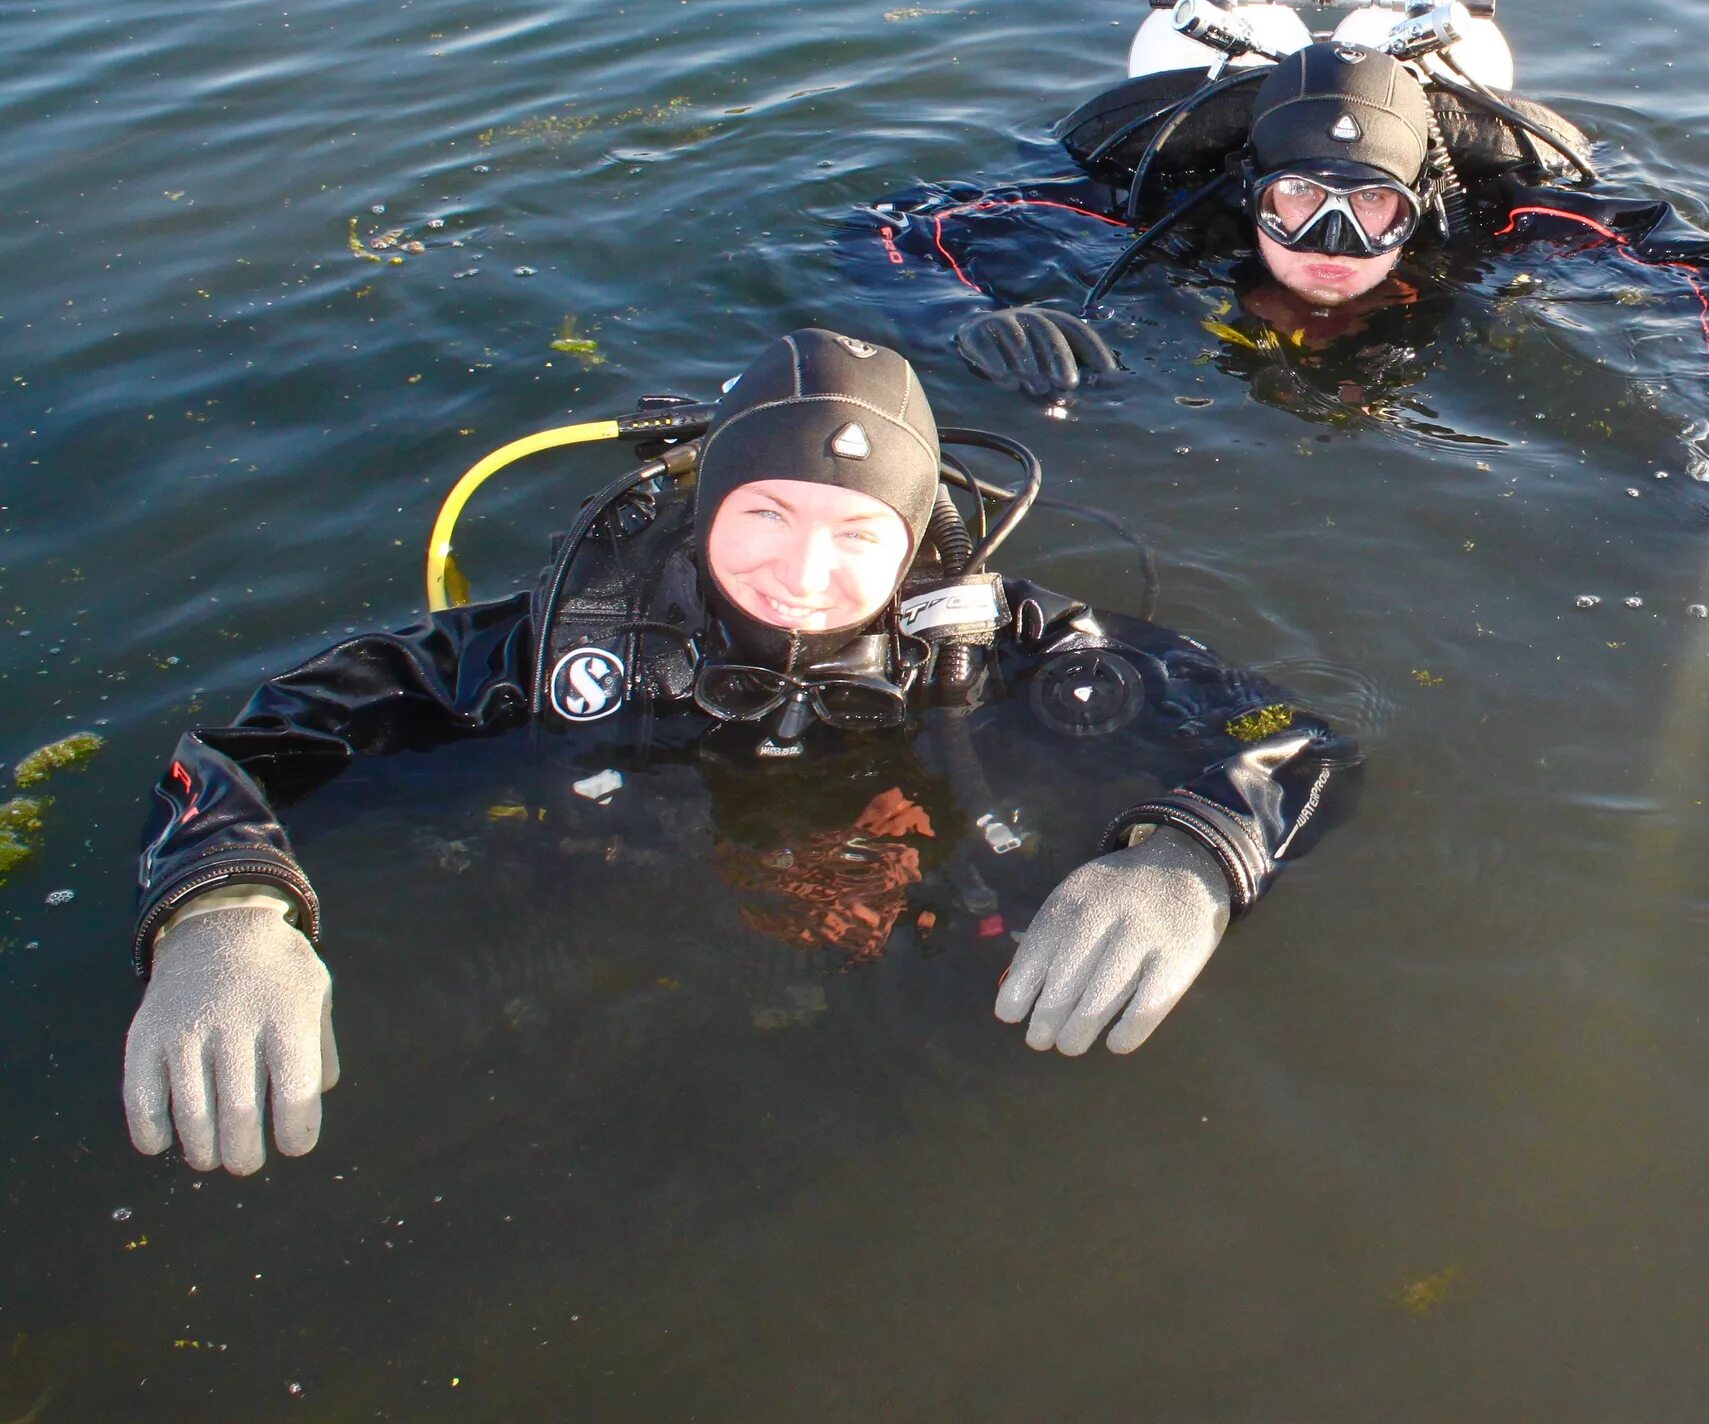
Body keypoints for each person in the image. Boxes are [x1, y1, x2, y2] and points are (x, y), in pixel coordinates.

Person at [121, 330, 1355, 1176]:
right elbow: (245, 747)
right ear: (704, 504)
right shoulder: (561, 640)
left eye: (856, 530)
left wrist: (1188, 855)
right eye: (763, 512)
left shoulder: (1000, 636)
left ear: (922, 534)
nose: (805, 573)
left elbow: (1297, 740)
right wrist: (223, 906)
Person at [858, 36, 1709, 486]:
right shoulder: (1177, 216)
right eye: (1298, 202)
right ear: (1250, 195)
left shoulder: (1489, 218)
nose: (1331, 247)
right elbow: (894, 225)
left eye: (1372, 207)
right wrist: (955, 314)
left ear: (1422, 208)